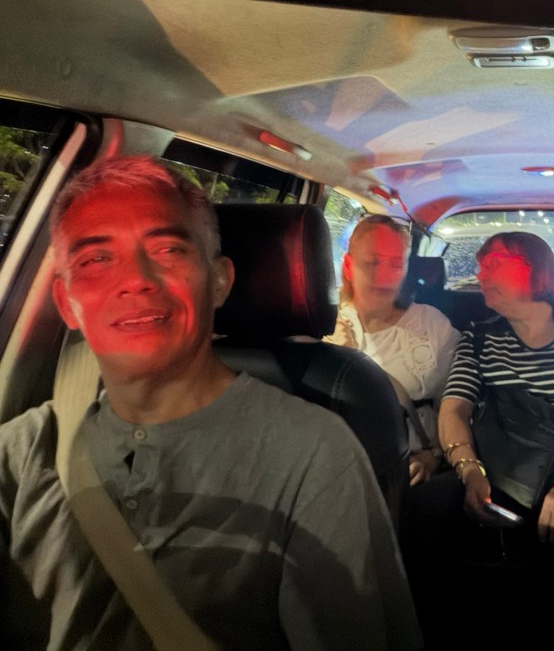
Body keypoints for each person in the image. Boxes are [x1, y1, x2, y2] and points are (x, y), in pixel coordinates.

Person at [0, 156, 421, 650]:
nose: (135, 279)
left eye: (167, 249)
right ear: (66, 303)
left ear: (220, 280)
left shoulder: (315, 453)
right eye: (96, 259)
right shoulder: (21, 452)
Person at [438, 231, 554, 539]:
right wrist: (469, 470)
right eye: (480, 266)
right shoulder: (477, 337)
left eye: (494, 263)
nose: (480, 275)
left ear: (537, 268)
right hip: (493, 476)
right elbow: (454, 410)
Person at [325, 214, 460, 485]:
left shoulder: (433, 326)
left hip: (409, 475)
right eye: (373, 262)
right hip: (337, 473)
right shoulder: (322, 327)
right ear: (348, 266)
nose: (385, 277)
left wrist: (433, 456)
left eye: (396, 264)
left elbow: (453, 409)